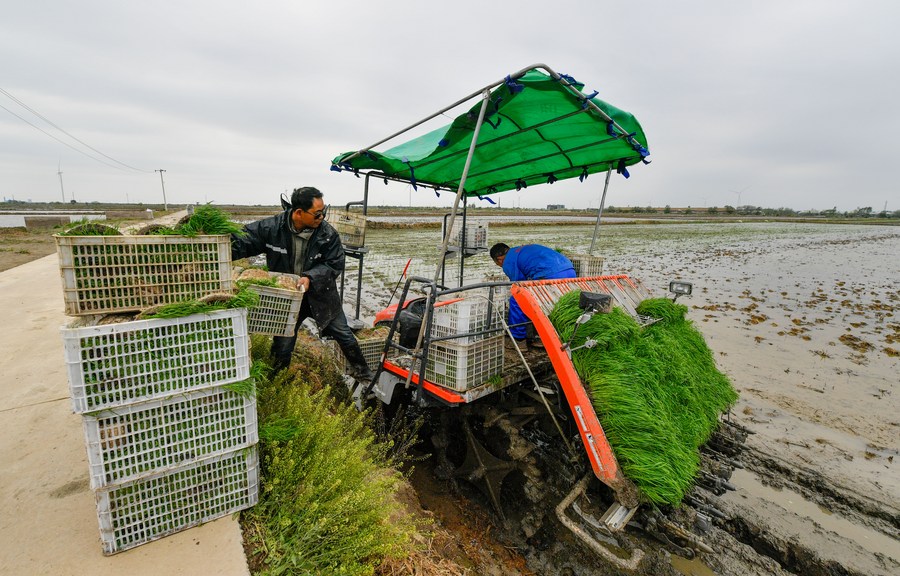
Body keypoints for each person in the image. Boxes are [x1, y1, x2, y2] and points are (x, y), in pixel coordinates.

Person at [231, 186, 374, 380]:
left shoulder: (327, 234)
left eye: (324, 212)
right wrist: (215, 241)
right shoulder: (272, 228)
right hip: (288, 298)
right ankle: (278, 381)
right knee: (283, 344)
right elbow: (243, 241)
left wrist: (310, 277)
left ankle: (364, 373)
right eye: (317, 214)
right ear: (299, 212)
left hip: (321, 295)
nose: (322, 217)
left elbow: (334, 263)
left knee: (344, 334)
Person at [490, 242, 577, 344]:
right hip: (569, 270)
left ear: (499, 259)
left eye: (499, 265)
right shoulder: (520, 250)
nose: (501, 266)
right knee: (554, 303)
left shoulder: (509, 260)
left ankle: (518, 339)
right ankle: (553, 335)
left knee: (517, 300)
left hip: (551, 275)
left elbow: (519, 284)